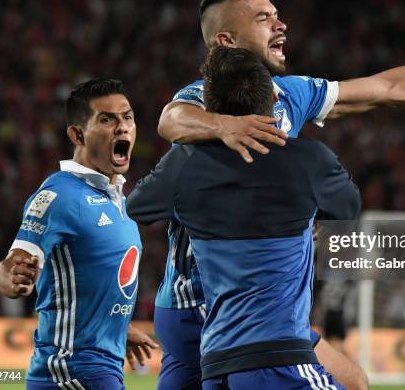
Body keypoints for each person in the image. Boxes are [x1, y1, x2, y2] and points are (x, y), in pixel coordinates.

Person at [151, 0, 405, 389]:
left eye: (277, 15)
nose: (280, 25)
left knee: (353, 379)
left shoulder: (291, 95)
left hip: (253, 309)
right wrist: (225, 126)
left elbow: (389, 87)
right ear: (226, 42)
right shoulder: (202, 97)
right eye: (264, 18)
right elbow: (169, 119)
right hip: (199, 306)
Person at [127, 46, 361, 389]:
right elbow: (347, 207)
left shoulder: (186, 163)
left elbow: (139, 206)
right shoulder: (310, 160)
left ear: (213, 107)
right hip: (279, 354)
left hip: (217, 357)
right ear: (271, 101)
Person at [0, 79, 158, 390]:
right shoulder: (61, 195)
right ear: (78, 134)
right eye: (107, 119)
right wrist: (10, 277)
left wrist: (118, 328)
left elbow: (91, 279)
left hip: (99, 366)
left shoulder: (118, 197)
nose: (122, 127)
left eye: (128, 117)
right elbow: (13, 262)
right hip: (72, 370)